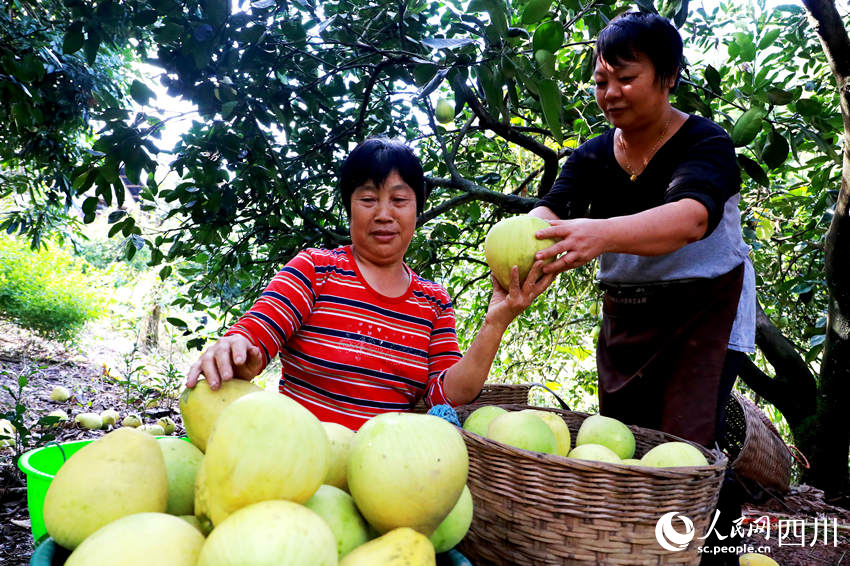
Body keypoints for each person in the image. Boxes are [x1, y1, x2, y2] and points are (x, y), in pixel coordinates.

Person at [529, 12, 755, 565]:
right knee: (631, 444)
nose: (610, 93)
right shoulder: (589, 156)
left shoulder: (705, 141)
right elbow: (552, 208)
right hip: (629, 314)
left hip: (704, 312)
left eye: (625, 78)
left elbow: (689, 219)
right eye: (602, 80)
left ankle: (713, 556)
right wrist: (530, 240)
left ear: (669, 75)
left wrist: (599, 233)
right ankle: (653, 548)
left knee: (684, 449)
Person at [185, 137, 554, 431]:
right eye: (367, 199)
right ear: (349, 206)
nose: (383, 214)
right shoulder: (315, 270)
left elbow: (446, 394)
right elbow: (260, 332)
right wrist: (238, 346)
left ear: (416, 210)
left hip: (381, 477)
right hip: (298, 463)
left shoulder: (433, 302)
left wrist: (497, 322)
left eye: (398, 200)